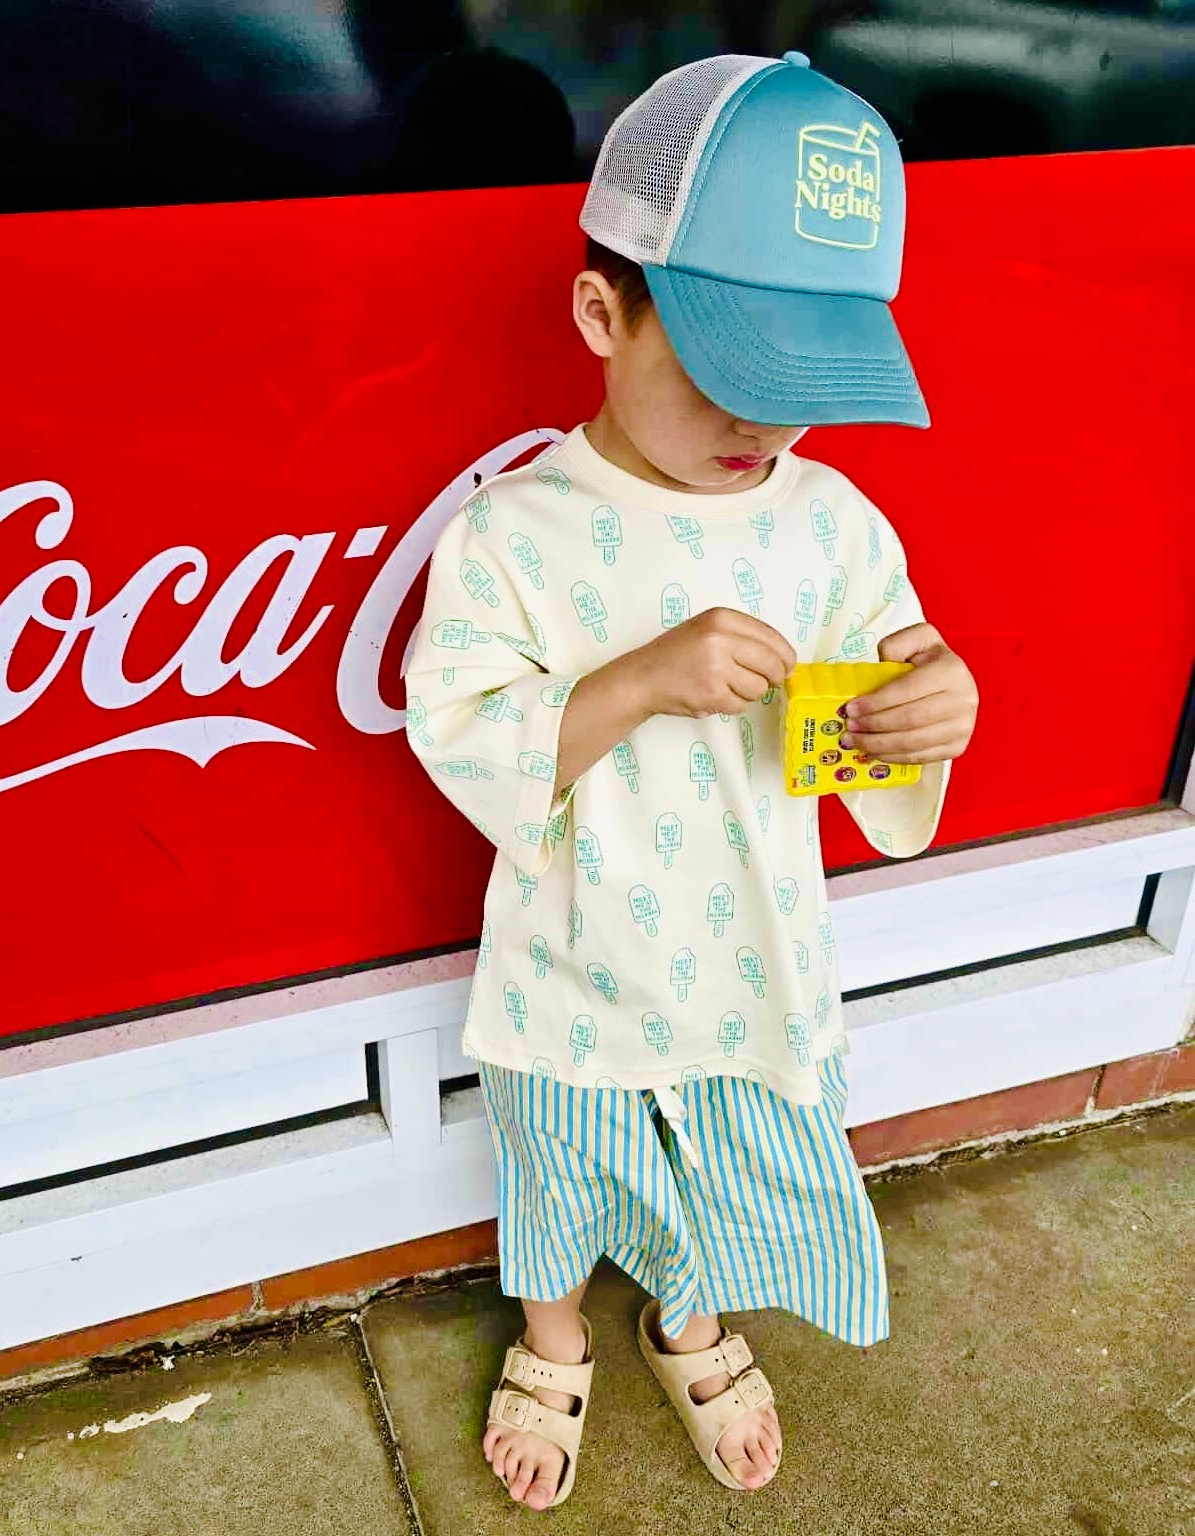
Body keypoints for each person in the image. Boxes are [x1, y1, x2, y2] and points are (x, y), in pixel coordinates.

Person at [404, 51, 979, 1511]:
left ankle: (688, 1318)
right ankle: (553, 1332)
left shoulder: (831, 521)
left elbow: (869, 694)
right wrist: (638, 680)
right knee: (559, 1166)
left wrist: (928, 706)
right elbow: (458, 721)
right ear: (604, 313)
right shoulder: (517, 531)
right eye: (731, 372)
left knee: (719, 1169)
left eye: (805, 388)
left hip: (747, 944)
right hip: (573, 950)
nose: (764, 429)